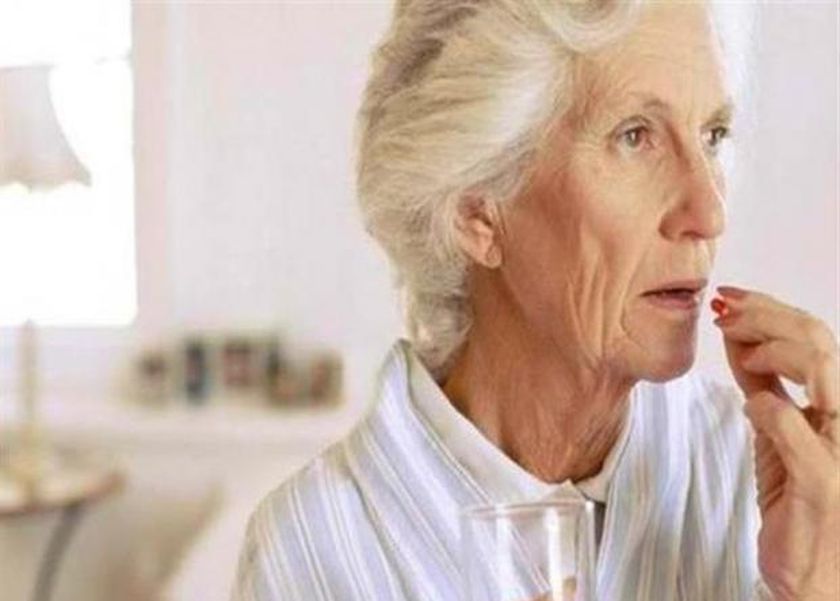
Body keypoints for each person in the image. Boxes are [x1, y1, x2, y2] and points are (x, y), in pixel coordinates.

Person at [231, 1, 840, 599]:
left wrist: (818, 586)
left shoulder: (771, 486)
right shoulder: (314, 552)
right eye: (635, 137)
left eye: (712, 135)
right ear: (478, 212)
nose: (709, 212)